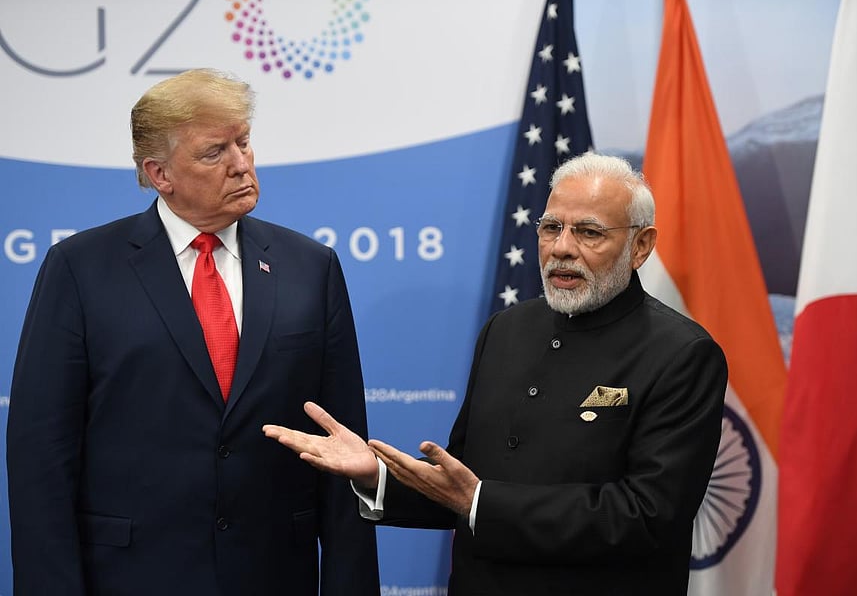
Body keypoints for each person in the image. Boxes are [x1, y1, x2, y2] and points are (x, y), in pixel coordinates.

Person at [264, 152, 728, 595]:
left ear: (640, 246)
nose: (562, 249)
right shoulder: (506, 330)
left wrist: (482, 503)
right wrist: (377, 475)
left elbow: (648, 515)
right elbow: (462, 482)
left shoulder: (683, 354)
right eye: (551, 228)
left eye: (588, 232)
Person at [6, 68, 379, 596]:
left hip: (272, 574)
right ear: (160, 174)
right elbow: (41, 458)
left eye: (244, 142)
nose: (241, 164)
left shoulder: (310, 268)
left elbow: (343, 450)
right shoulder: (80, 269)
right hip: (131, 577)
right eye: (215, 152)